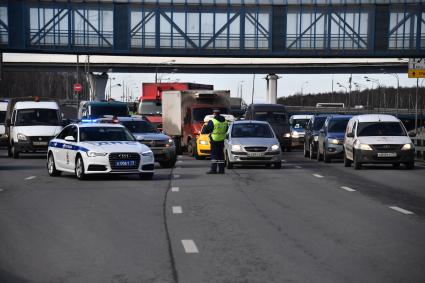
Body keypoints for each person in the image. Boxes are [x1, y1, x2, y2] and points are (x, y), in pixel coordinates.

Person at [204, 109, 229, 174]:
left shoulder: (212, 121)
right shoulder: (225, 122)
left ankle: (213, 170)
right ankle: (221, 170)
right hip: (221, 140)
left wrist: (206, 129)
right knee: (221, 155)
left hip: (214, 140)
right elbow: (226, 130)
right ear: (219, 113)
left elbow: (206, 130)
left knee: (214, 155)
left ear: (214, 114)